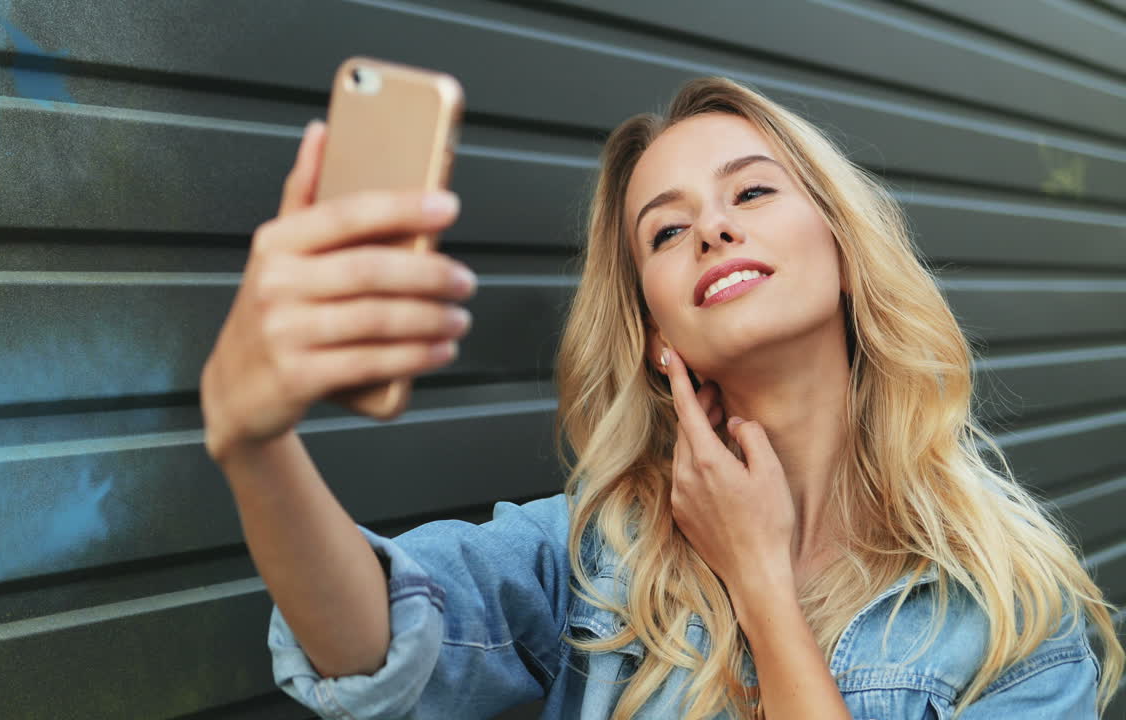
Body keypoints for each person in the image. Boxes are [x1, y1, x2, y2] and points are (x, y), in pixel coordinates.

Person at [199, 76, 1125, 719]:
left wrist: (759, 580)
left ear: (845, 248)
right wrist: (253, 445)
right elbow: (368, 644)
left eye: (751, 193)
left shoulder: (1013, 617)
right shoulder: (595, 553)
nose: (713, 229)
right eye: (667, 231)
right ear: (655, 333)